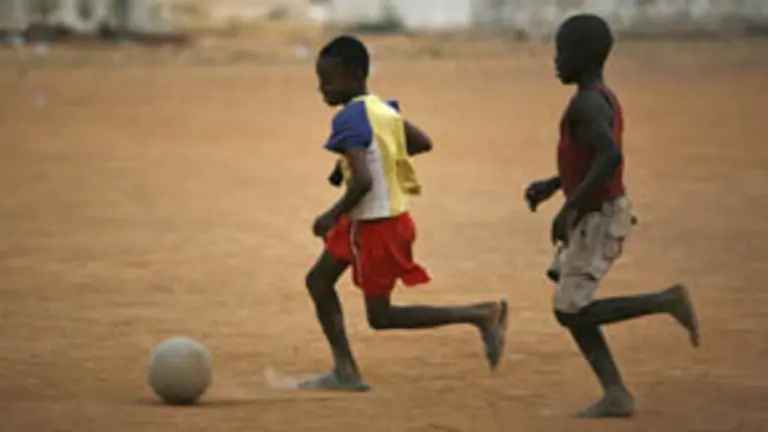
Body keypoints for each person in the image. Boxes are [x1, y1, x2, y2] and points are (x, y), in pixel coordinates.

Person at [301, 35, 508, 391]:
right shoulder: (382, 109)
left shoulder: (348, 119)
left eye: (328, 81)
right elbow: (421, 143)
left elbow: (363, 181)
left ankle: (480, 314)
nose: (322, 89)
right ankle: (345, 371)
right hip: (369, 222)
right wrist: (362, 160)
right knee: (318, 281)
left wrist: (330, 215)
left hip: (376, 227)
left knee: (381, 317)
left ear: (354, 75)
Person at [524, 14, 700, 418]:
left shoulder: (586, 103)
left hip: (598, 217)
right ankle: (616, 393)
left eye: (562, 52)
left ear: (583, 56)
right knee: (569, 302)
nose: (555, 60)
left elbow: (609, 156)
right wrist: (554, 185)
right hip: (594, 212)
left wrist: (569, 206)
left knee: (570, 309)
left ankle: (666, 301)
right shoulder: (598, 97)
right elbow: (592, 159)